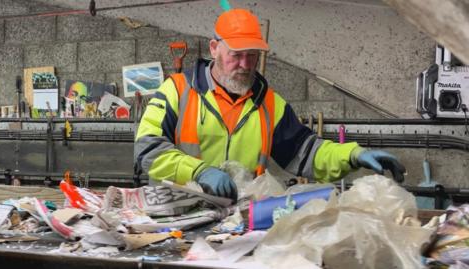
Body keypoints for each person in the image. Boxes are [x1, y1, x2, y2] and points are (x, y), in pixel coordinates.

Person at [134, 8, 406, 202]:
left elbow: (307, 153)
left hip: (237, 222)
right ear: (214, 48)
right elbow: (148, 151)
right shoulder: (177, 90)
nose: (244, 65)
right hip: (176, 217)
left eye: (252, 56)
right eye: (236, 55)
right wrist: (199, 171)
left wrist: (352, 155)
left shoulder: (269, 104)